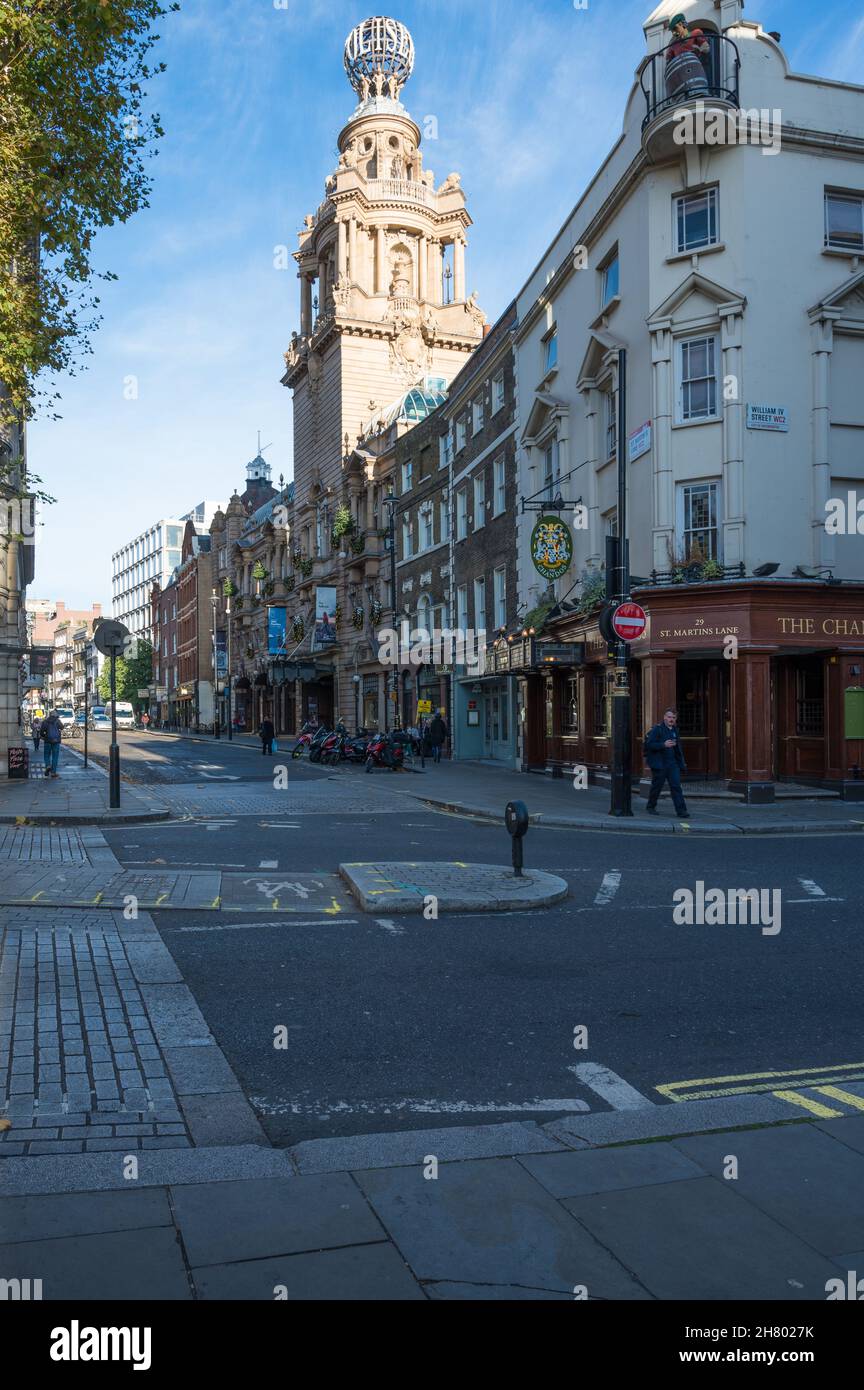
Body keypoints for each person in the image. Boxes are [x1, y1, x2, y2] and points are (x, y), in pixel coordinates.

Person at [644, 708, 689, 818]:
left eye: (673, 717)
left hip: (672, 764)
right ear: (664, 717)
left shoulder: (674, 730)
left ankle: (681, 811)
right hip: (660, 764)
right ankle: (651, 806)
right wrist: (663, 745)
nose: (671, 719)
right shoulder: (657, 729)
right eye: (669, 717)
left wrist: (681, 763)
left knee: (676, 786)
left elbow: (678, 749)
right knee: (657, 786)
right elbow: (649, 745)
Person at [40, 710, 63, 779]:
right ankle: (53, 772)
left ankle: (48, 765)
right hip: (56, 741)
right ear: (55, 715)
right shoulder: (57, 721)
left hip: (47, 741)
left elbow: (41, 732)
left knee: (46, 755)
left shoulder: (45, 721)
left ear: (49, 715)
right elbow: (62, 727)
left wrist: (44, 736)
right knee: (55, 757)